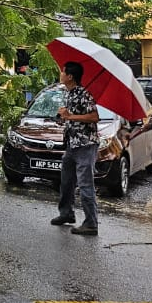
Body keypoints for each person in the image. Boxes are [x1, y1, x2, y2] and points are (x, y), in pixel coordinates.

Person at [52, 60, 101, 236]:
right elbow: (69, 117)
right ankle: (66, 213)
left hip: (85, 145)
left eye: (63, 72)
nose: (61, 74)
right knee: (66, 181)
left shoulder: (84, 94)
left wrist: (71, 116)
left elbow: (94, 117)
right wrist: (62, 116)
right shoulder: (70, 93)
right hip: (72, 145)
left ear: (70, 76)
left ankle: (91, 223)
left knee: (85, 184)